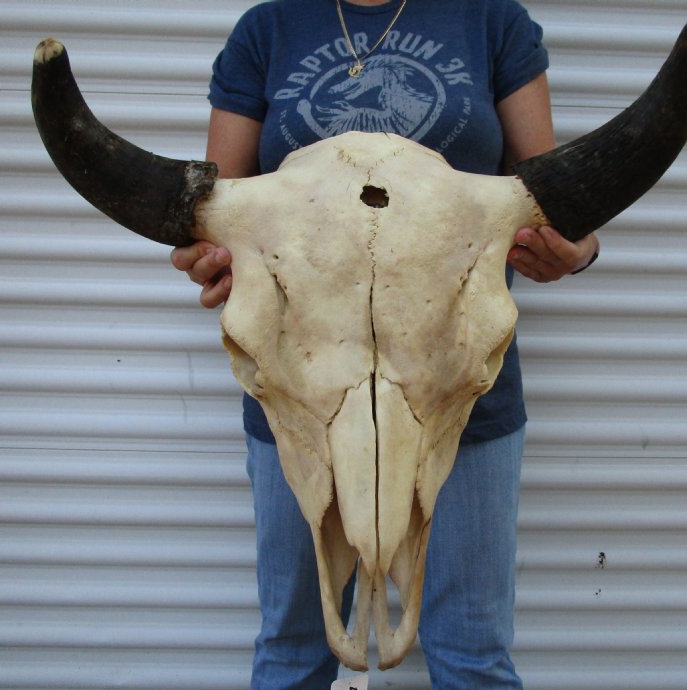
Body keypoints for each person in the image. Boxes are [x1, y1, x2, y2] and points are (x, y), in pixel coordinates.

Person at [171, 1, 600, 688]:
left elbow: (550, 196)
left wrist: (575, 250)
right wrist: (207, 258)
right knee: (292, 650)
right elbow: (220, 211)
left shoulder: (490, 21)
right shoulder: (268, 29)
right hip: (296, 398)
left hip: (461, 397)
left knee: (473, 655)